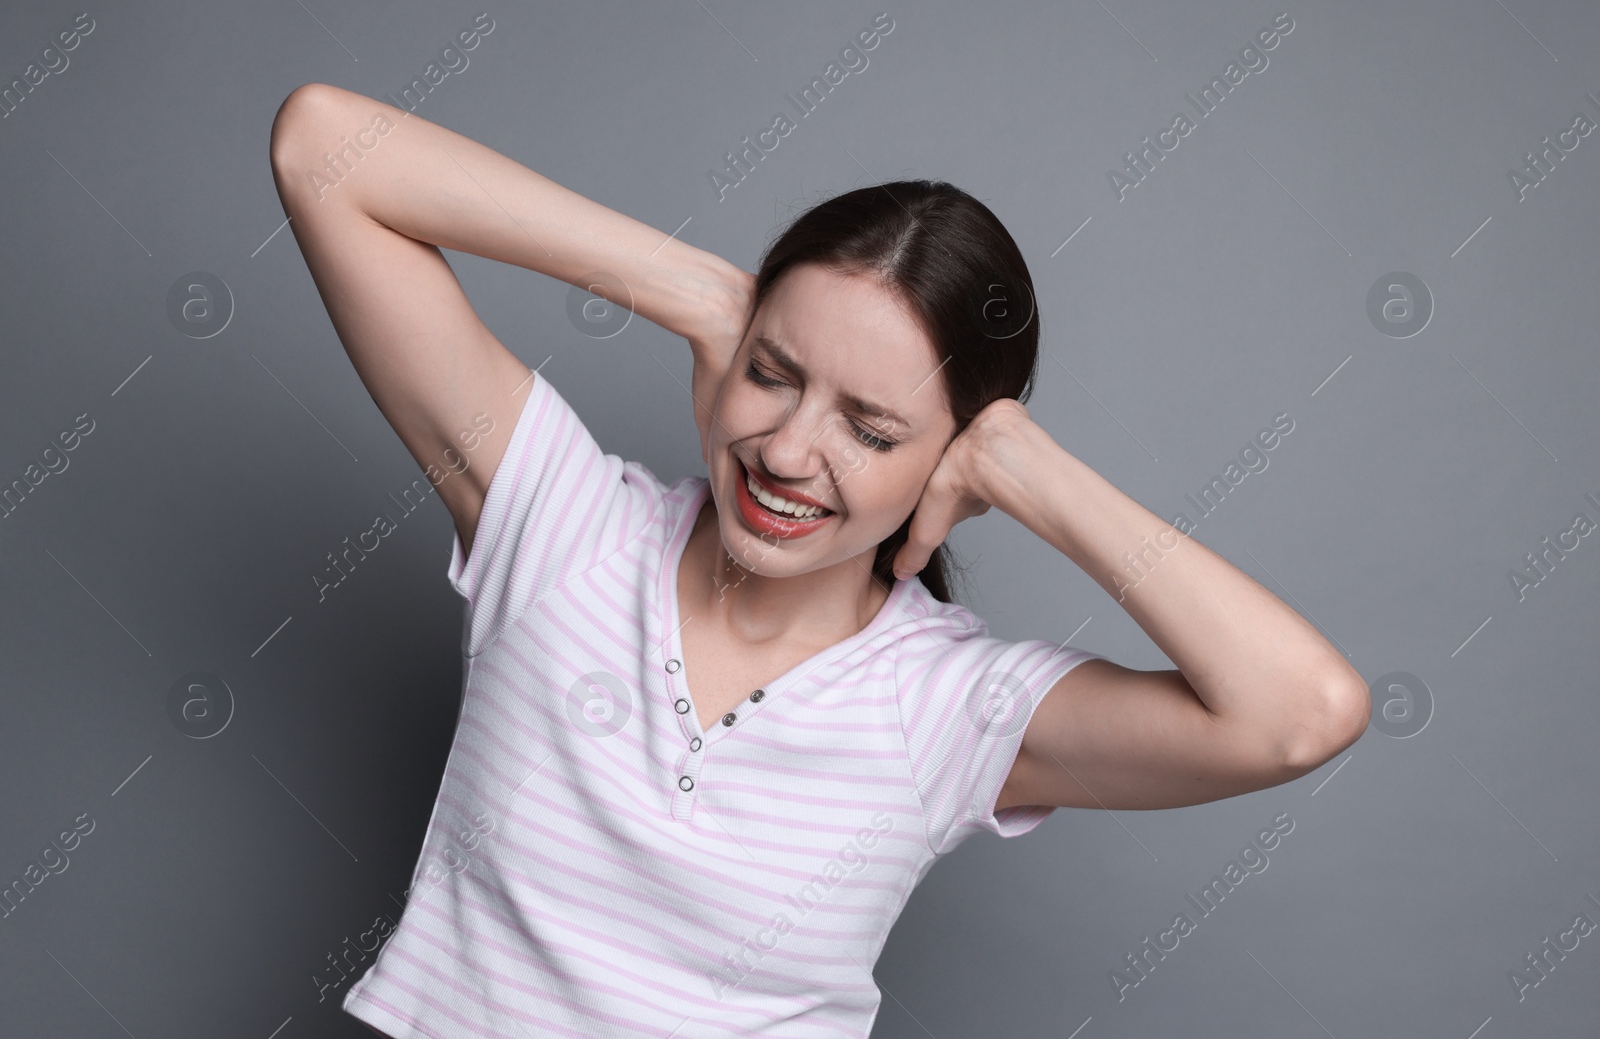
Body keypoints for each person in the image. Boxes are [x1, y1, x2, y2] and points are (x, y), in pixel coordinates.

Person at [269, 82, 1370, 1038]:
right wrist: (686, 285)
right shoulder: (561, 526)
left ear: (950, 462)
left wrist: (1028, 469)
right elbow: (324, 147)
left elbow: (1301, 710)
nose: (789, 451)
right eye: (772, 372)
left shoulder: (946, 706)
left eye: (872, 430)